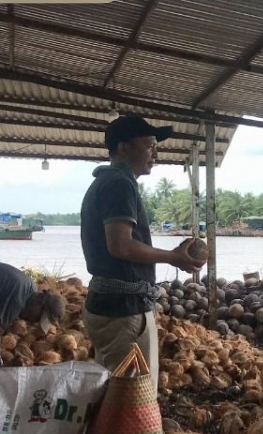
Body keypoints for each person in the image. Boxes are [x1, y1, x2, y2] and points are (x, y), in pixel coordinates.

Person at [81, 113, 203, 389]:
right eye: (149, 145)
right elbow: (120, 246)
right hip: (123, 310)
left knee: (112, 394)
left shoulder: (109, 181)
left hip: (111, 304)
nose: (155, 153)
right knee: (130, 401)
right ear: (124, 148)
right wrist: (173, 257)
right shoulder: (118, 184)